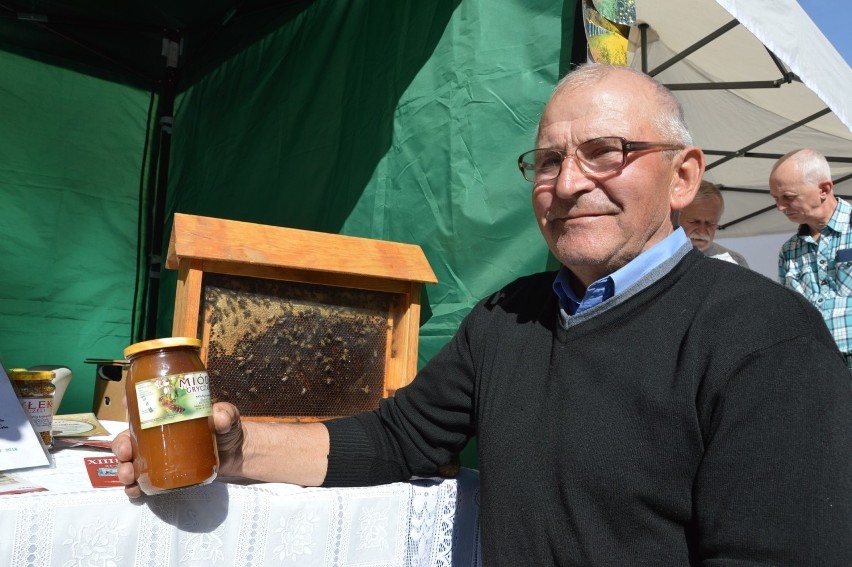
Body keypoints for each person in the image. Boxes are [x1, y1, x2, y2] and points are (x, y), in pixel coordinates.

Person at [114, 65, 852, 564]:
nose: (569, 183)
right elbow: (395, 437)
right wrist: (232, 449)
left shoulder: (767, 338)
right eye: (549, 161)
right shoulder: (509, 318)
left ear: (684, 175)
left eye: (606, 152)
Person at [770, 147, 852, 369]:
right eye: (776, 198)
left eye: (788, 197)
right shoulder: (790, 250)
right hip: (818, 368)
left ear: (824, 189)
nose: (780, 207)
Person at [679, 179, 749, 266]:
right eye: (694, 222)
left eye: (710, 223)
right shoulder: (660, 259)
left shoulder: (734, 262)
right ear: (675, 218)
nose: (702, 231)